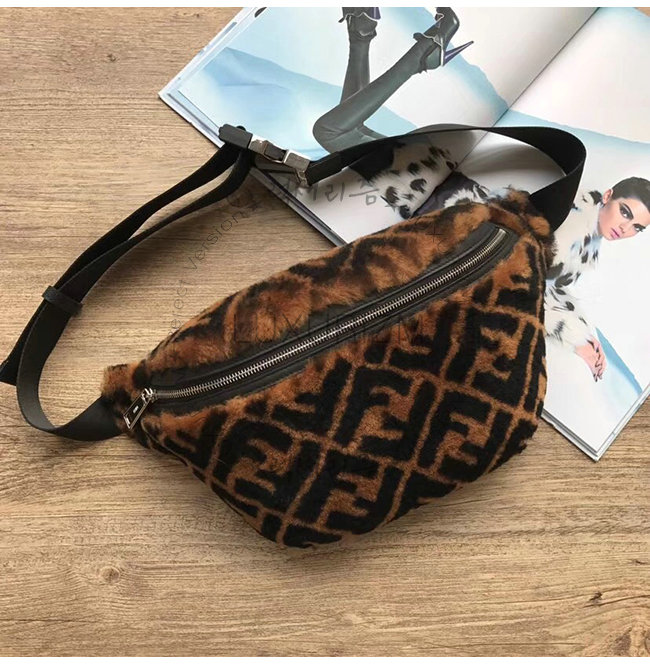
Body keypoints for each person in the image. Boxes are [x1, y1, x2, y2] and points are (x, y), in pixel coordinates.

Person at [544, 178, 650, 381]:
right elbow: (524, 288)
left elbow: (551, 284)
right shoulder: (573, 227)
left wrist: (584, 333)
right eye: (625, 212)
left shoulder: (590, 232)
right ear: (608, 196)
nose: (625, 228)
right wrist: (575, 340)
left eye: (637, 227)